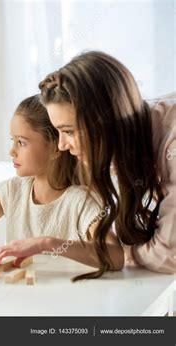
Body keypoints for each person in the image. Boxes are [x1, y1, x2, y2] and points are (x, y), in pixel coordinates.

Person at [37, 51, 175, 279]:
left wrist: (118, 253)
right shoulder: (135, 131)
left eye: (68, 131)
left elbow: (169, 254)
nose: (62, 145)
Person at [0, 95, 102, 273]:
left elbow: (115, 255)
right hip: (18, 296)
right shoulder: (14, 190)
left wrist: (46, 244)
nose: (12, 151)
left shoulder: (81, 201)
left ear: (56, 147)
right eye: (13, 141)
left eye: (21, 143)